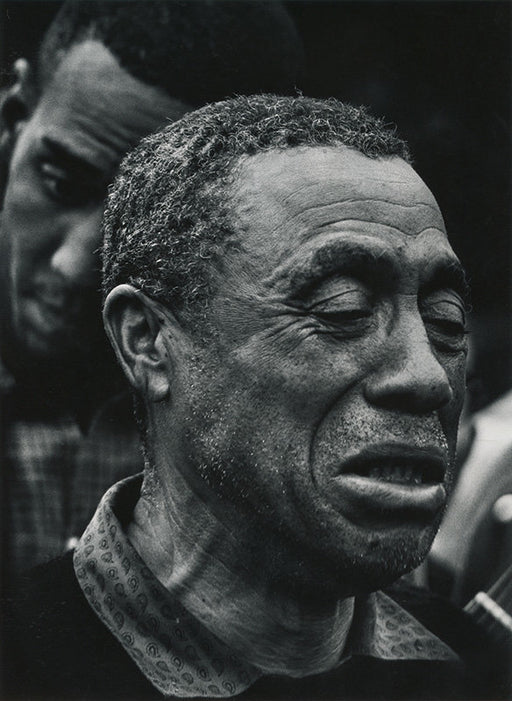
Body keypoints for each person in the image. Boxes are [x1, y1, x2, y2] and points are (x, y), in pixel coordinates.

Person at [4, 95, 507, 699]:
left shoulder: (479, 670)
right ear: (148, 342)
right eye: (342, 308)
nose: (427, 375)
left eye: (446, 321)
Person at [0, 0, 302, 576]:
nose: (73, 264)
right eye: (62, 181)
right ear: (14, 117)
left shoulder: (281, 442)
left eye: (153, 223)